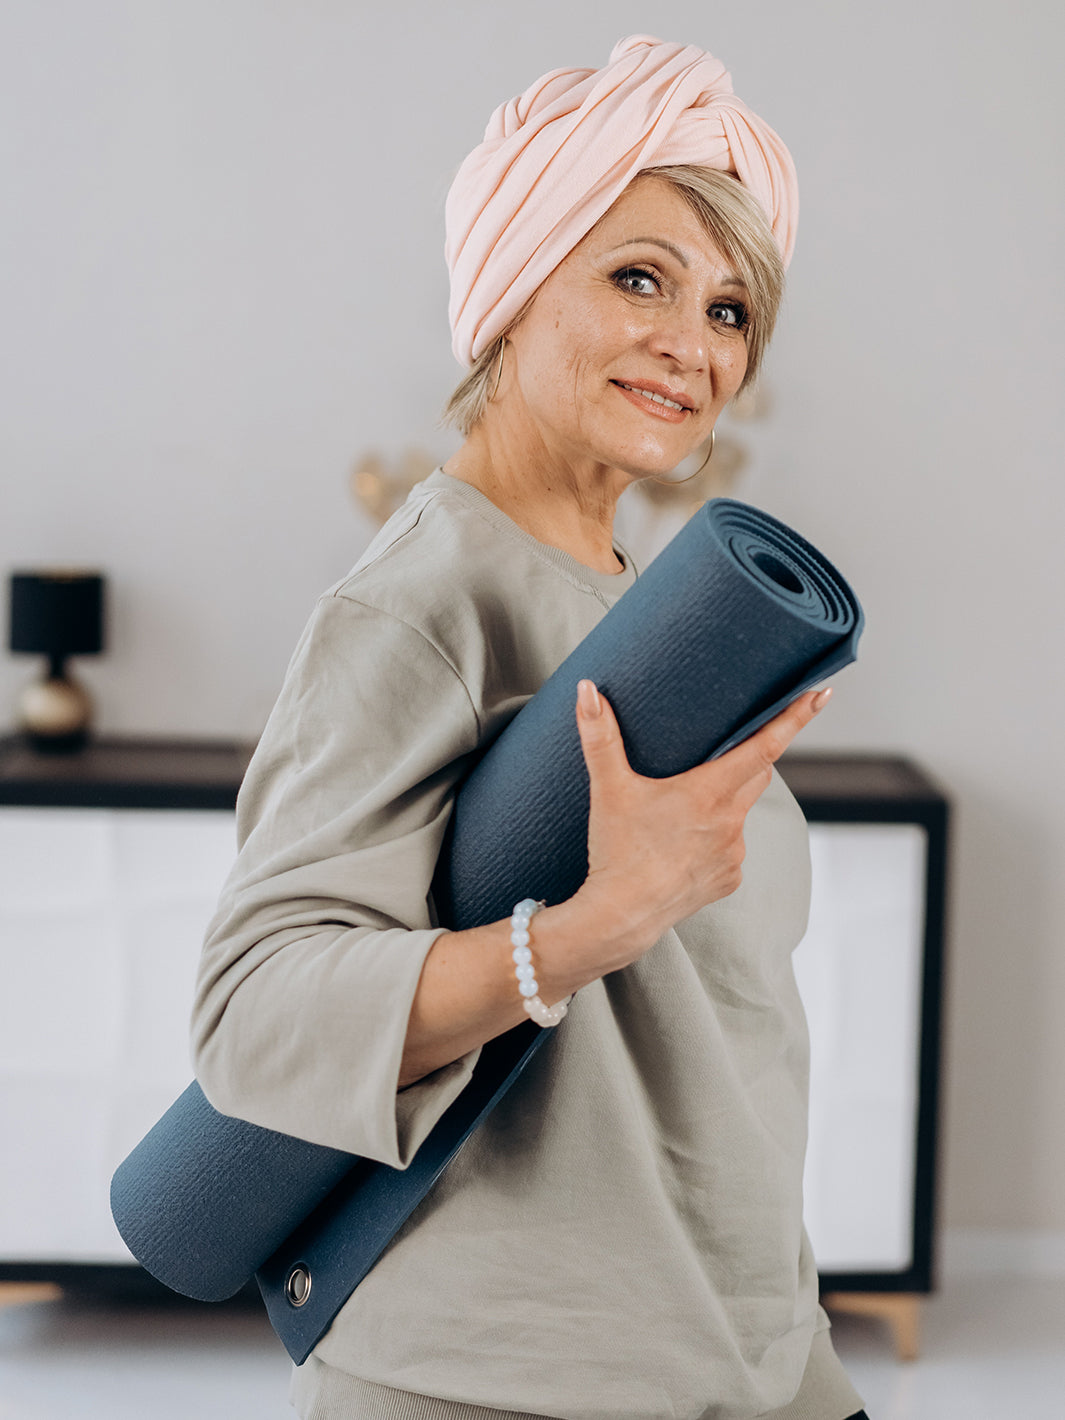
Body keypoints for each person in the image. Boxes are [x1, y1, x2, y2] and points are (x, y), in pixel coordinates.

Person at [191, 35, 869, 1420]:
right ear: (515, 283)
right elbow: (253, 1017)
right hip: (509, 1371)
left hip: (749, 1341)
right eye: (640, 278)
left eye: (731, 309)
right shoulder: (422, 601)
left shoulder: (647, 609)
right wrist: (586, 929)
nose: (693, 345)